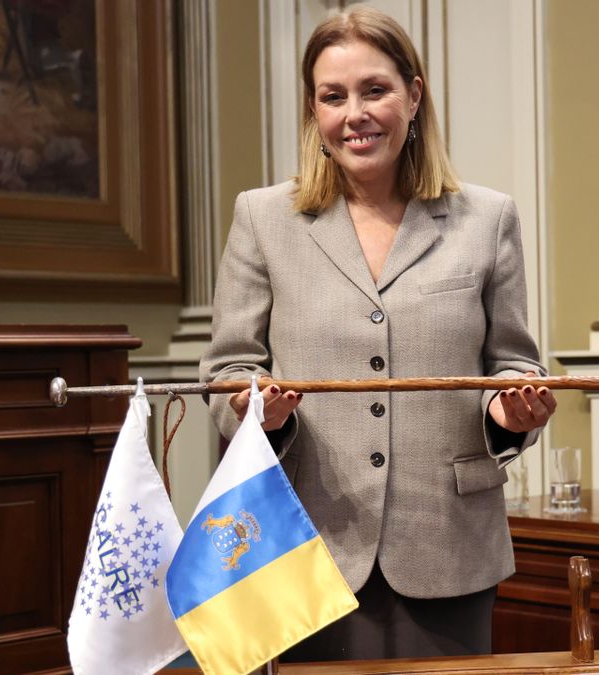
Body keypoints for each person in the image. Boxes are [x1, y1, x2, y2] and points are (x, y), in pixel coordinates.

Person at [198, 6, 556, 662]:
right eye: (332, 97)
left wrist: (510, 409)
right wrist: (258, 408)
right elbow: (228, 371)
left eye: (375, 90)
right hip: (307, 546)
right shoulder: (263, 218)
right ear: (314, 110)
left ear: (414, 95)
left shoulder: (488, 218)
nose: (353, 113)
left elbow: (511, 364)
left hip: (449, 548)